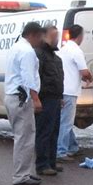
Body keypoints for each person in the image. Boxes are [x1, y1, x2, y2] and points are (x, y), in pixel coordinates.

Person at [4, 22, 44, 185]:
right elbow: (28, 77)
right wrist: (36, 99)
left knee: (22, 136)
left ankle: (24, 172)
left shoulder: (16, 47)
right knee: (25, 137)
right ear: (33, 34)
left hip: (12, 96)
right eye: (39, 36)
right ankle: (21, 175)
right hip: (21, 98)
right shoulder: (27, 51)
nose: (41, 40)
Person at [57, 25, 92, 162]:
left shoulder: (63, 49)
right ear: (80, 36)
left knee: (65, 121)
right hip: (70, 91)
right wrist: (89, 77)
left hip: (62, 90)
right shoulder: (76, 51)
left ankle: (72, 147)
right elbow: (84, 71)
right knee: (66, 123)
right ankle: (61, 151)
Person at [34, 25, 64, 176]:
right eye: (53, 36)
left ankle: (51, 161)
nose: (56, 39)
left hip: (55, 99)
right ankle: (42, 164)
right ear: (44, 36)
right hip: (45, 98)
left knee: (53, 131)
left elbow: (58, 78)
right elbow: (37, 78)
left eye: (56, 36)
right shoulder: (40, 55)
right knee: (44, 132)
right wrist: (37, 99)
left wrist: (60, 97)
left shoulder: (55, 57)